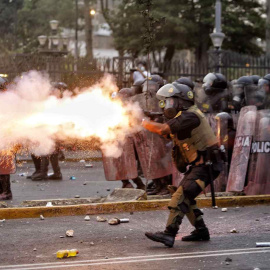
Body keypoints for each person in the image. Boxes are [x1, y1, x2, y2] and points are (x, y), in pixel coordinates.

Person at [142, 81, 222, 247]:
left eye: (170, 101)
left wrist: (144, 123)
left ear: (180, 101)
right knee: (186, 196)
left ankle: (169, 234)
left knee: (181, 196)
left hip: (206, 166)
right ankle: (201, 231)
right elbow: (169, 134)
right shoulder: (184, 118)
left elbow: (163, 130)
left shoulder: (190, 116)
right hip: (202, 166)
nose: (167, 105)